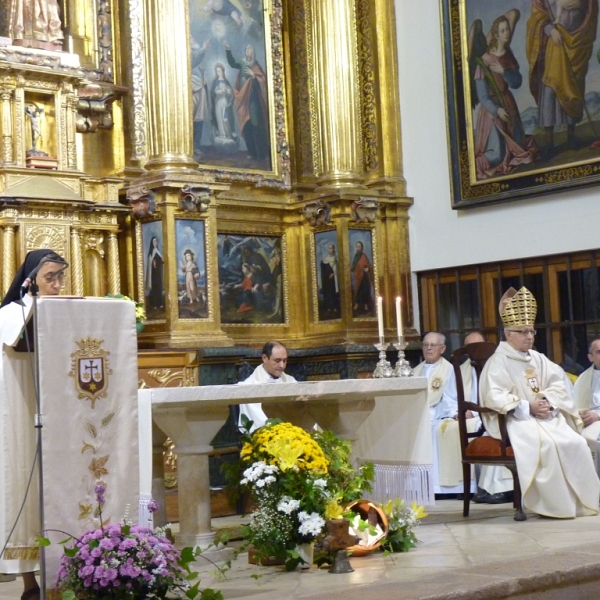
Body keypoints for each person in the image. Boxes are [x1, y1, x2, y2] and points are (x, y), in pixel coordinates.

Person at [480, 286, 599, 518]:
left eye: (532, 331)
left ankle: (578, 503)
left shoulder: (538, 358)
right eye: (523, 332)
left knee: (575, 442)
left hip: (545, 417)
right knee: (546, 446)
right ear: (508, 335)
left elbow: (558, 384)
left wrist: (547, 402)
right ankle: (552, 506)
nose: (530, 337)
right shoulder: (498, 361)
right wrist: (528, 406)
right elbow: (493, 395)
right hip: (517, 419)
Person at [0, 249, 69, 600]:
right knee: (22, 490)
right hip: (21, 408)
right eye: (50, 277)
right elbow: (15, 343)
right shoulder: (10, 314)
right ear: (31, 280)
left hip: (58, 409)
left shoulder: (64, 309)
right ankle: (28, 581)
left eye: (60, 277)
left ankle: (68, 574)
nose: (57, 285)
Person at [472, 11, 537, 180]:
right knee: (497, 154)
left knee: (519, 147)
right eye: (502, 30)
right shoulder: (484, 60)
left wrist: (504, 71)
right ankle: (473, 165)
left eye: (507, 29)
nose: (507, 32)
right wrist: (497, 110)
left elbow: (517, 83)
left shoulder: (508, 55)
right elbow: (483, 97)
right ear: (495, 34)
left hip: (508, 104)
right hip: (491, 113)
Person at [526, 0, 598, 150]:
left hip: (578, 45)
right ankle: (549, 141)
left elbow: (591, 10)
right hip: (556, 43)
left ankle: (571, 137)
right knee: (550, 87)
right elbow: (537, 15)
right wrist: (550, 29)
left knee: (574, 87)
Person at [413, 332, 476, 497]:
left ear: (442, 349)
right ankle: (416, 485)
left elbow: (451, 397)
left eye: (433, 345)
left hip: (437, 413)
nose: (428, 348)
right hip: (418, 413)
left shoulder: (450, 370)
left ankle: (437, 487)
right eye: (426, 345)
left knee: (433, 429)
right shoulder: (415, 371)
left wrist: (455, 412)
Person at [223, 41, 270, 162]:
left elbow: (262, 80)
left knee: (256, 125)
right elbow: (233, 62)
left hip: (253, 99)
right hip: (243, 99)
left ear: (253, 53)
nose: (249, 51)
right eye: (247, 49)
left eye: (251, 50)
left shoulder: (256, 65)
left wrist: (254, 76)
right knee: (246, 125)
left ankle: (261, 153)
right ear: (245, 52)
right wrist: (228, 50)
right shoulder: (242, 62)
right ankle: (252, 152)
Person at [238, 341, 296, 432]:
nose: (282, 365)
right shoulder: (250, 387)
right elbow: (259, 421)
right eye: (277, 361)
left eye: (284, 360)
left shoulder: (291, 382)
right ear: (265, 358)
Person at [572, 338, 600, 475]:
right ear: (591, 357)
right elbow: (574, 404)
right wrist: (580, 415)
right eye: (599, 352)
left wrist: (598, 416)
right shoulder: (583, 378)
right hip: (587, 424)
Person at [191, 37, 211, 159]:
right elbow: (192, 61)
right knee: (190, 117)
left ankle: (196, 146)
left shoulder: (198, 55)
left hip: (201, 87)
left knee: (199, 118)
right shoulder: (189, 53)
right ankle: (189, 146)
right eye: (191, 38)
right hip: (191, 87)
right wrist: (203, 49)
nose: (193, 39)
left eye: (193, 38)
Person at [211, 63, 238, 147]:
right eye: (217, 71)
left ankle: (228, 134)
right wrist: (219, 92)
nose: (218, 72)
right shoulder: (215, 82)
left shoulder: (226, 82)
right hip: (218, 102)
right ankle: (222, 134)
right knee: (219, 117)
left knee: (225, 118)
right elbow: (213, 92)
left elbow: (231, 94)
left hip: (225, 102)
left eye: (220, 71)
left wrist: (227, 91)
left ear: (223, 71)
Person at [350, 241, 373, 315]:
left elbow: (368, 265)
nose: (358, 248)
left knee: (365, 290)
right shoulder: (356, 256)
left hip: (364, 277)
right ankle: (357, 304)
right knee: (358, 291)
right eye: (357, 246)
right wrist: (351, 268)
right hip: (358, 276)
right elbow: (353, 266)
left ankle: (366, 305)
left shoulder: (364, 256)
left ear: (361, 247)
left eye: (359, 246)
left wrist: (367, 269)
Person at [320, 244, 340, 317]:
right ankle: (329, 307)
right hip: (328, 279)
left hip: (334, 278)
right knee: (329, 292)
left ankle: (334, 307)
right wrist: (321, 263)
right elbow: (325, 268)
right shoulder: (326, 258)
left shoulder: (336, 257)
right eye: (329, 248)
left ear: (334, 249)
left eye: (331, 248)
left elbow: (337, 267)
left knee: (334, 293)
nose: (330, 250)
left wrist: (333, 274)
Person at [145, 236, 164, 310]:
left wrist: (162, 260)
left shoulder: (158, 251)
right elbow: (150, 263)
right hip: (153, 274)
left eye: (156, 241)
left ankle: (160, 303)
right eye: (154, 241)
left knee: (159, 288)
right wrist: (153, 261)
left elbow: (161, 261)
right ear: (152, 243)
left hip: (158, 273)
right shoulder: (151, 252)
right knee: (154, 288)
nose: (155, 243)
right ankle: (154, 304)